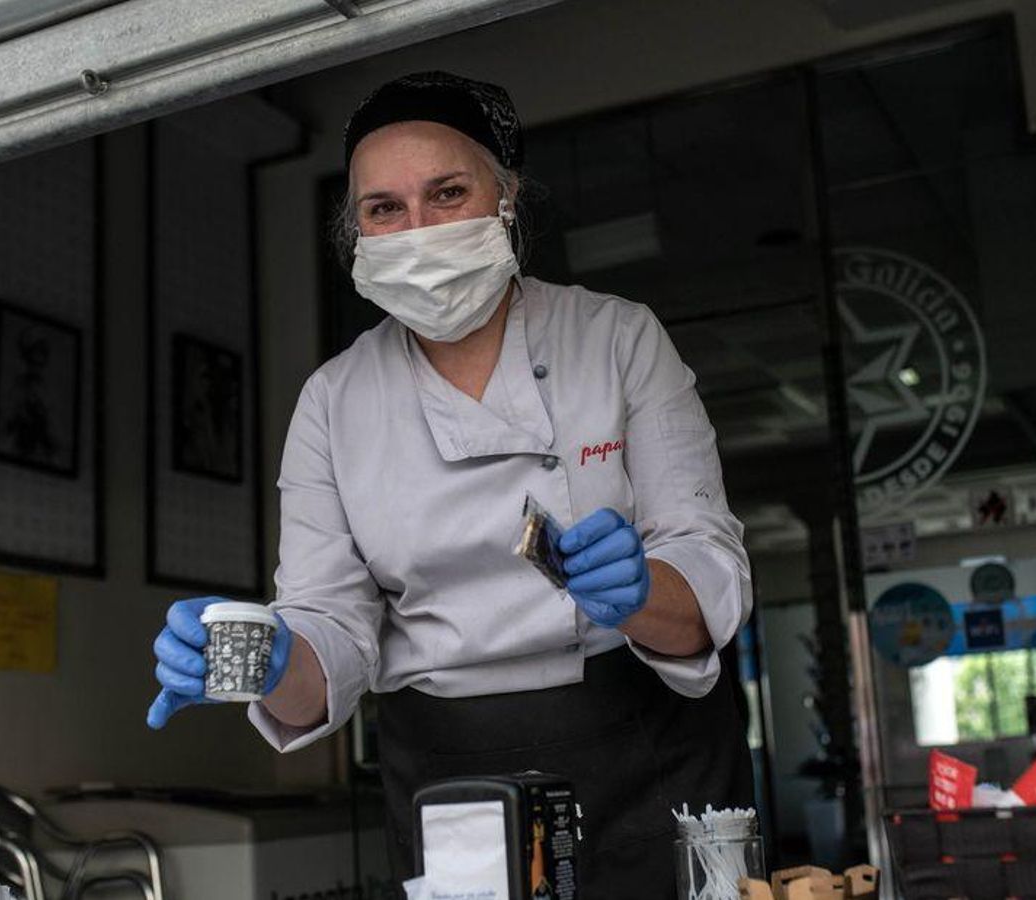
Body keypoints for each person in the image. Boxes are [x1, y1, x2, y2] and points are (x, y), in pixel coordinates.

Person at [147, 71, 754, 896]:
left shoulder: (616, 338)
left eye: (447, 192)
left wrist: (644, 589)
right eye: (384, 209)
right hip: (449, 770)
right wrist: (267, 659)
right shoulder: (334, 400)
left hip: (645, 743)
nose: (417, 229)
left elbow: (704, 563)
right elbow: (330, 638)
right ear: (356, 230)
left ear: (507, 200)